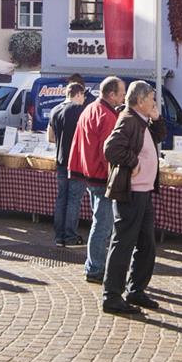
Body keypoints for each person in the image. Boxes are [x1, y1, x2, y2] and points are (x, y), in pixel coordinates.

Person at [100, 80, 163, 316]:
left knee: (147, 244)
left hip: (144, 191)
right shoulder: (128, 119)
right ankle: (112, 296)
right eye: (151, 99)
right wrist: (133, 162)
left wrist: (156, 118)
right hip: (131, 192)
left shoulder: (142, 120)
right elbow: (111, 148)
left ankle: (136, 289)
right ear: (139, 101)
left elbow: (159, 136)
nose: (154, 102)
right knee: (123, 243)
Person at [68, 77, 126, 282]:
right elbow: (107, 152)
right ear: (111, 94)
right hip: (101, 177)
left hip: (90, 174)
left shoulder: (89, 109)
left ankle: (94, 265)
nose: (124, 97)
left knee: (99, 222)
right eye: (121, 93)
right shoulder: (106, 115)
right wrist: (114, 176)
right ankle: (95, 268)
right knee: (103, 225)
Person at [47, 78, 89, 247]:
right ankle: (70, 236)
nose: (84, 100)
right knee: (73, 199)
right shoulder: (78, 110)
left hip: (60, 159)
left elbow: (50, 137)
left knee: (61, 198)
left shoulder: (55, 110)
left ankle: (59, 236)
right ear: (78, 94)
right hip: (77, 161)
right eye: (83, 96)